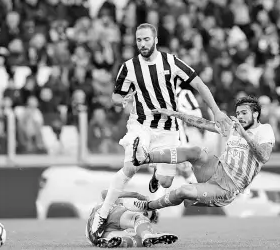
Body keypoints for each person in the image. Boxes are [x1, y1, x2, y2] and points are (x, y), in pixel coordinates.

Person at [91, 22, 231, 238]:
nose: (142, 43)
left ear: (155, 40)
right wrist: (122, 99)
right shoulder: (128, 67)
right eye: (139, 40)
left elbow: (199, 84)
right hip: (141, 125)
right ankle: (103, 213)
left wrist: (217, 112)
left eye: (146, 39)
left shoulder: (171, 62)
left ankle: (157, 175)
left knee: (166, 182)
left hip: (168, 130)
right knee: (129, 168)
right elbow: (115, 95)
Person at [132, 96, 275, 209]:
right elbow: (201, 123)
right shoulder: (233, 127)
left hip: (228, 187)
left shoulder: (264, 129)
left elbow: (264, 156)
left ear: (255, 114)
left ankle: (149, 206)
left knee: (184, 192)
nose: (240, 117)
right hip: (215, 169)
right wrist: (174, 113)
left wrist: (244, 134)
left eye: (244, 113)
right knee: (196, 151)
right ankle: (145, 157)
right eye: (238, 113)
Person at [85, 190, 178, 248]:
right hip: (103, 215)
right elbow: (105, 193)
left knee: (135, 239)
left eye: (146, 217)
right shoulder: (118, 203)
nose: (144, 218)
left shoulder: (129, 226)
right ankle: (147, 235)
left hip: (94, 236)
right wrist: (135, 194)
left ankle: (119, 242)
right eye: (145, 213)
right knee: (136, 217)